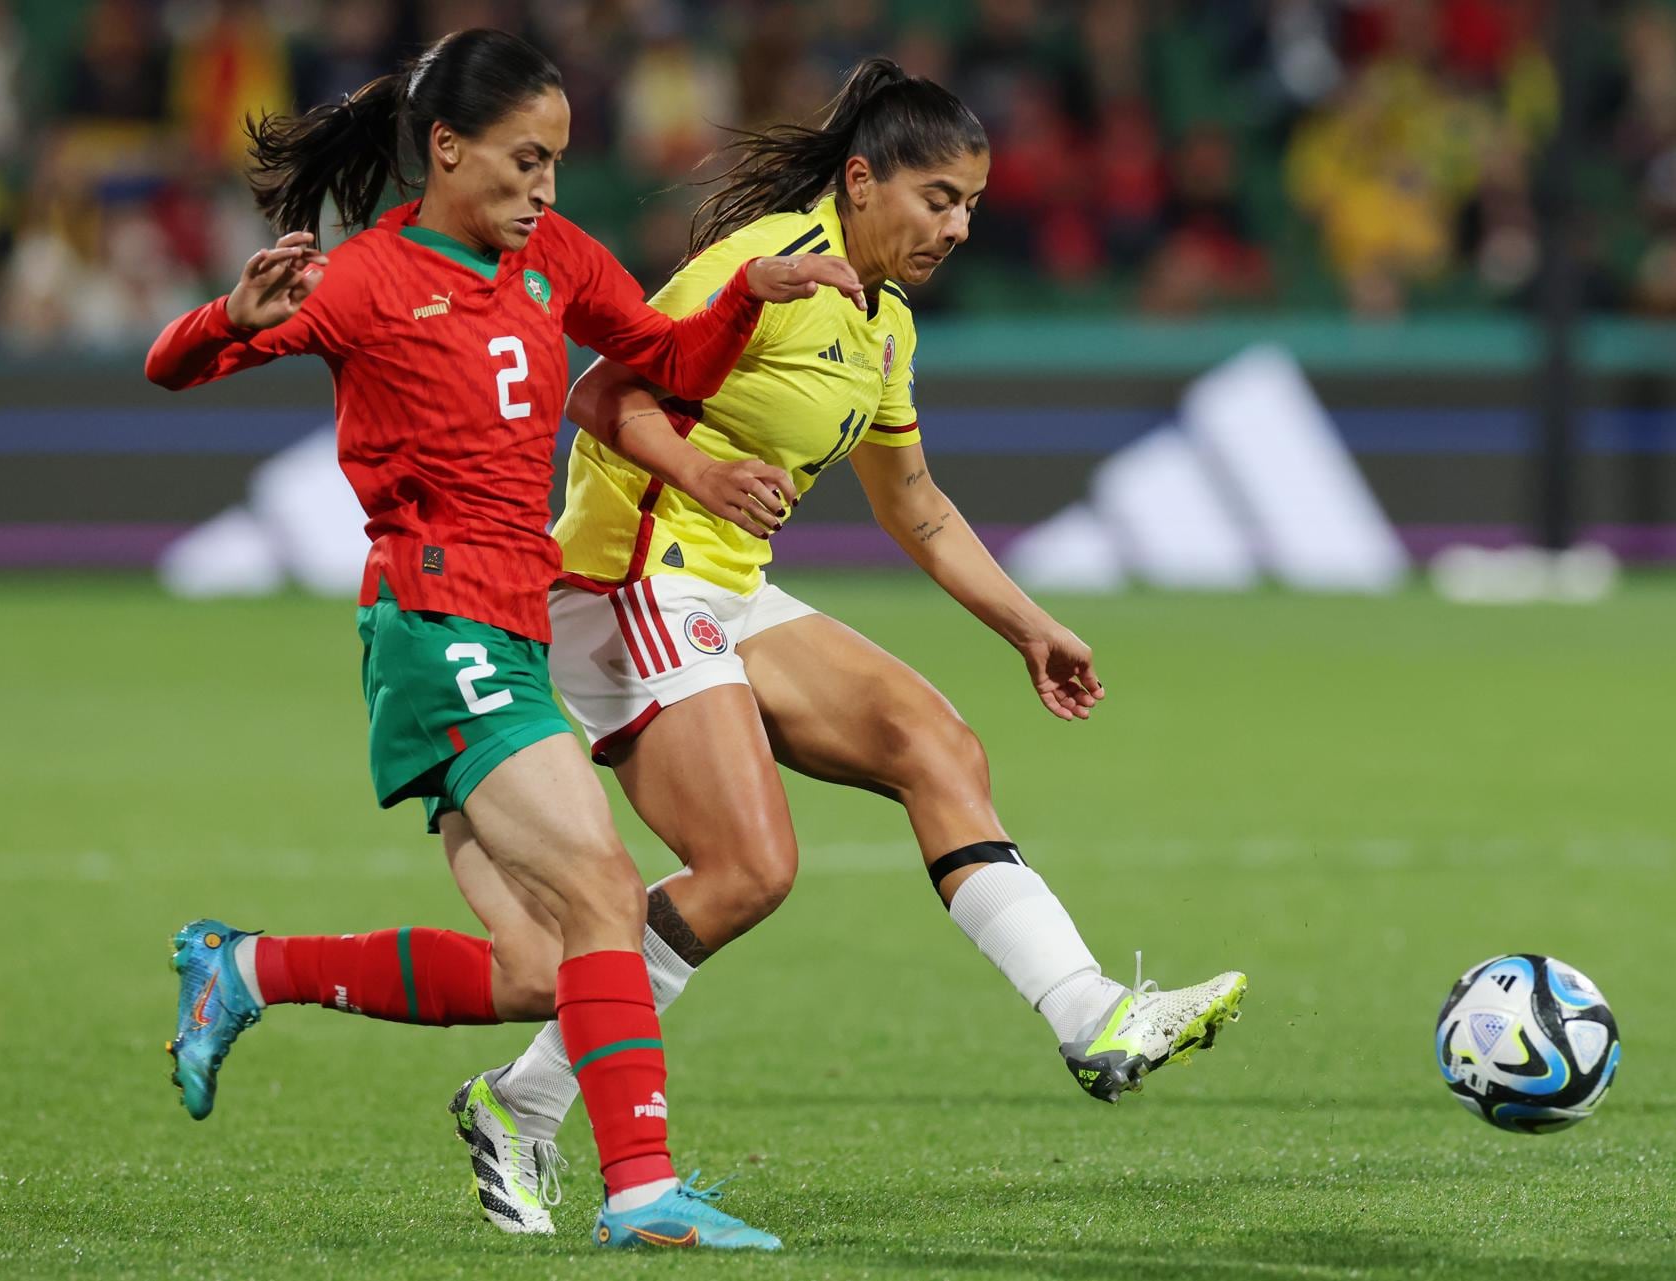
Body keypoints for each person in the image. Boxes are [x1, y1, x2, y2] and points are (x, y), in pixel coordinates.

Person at [468, 57, 1250, 1228]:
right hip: (623, 575)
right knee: (750, 870)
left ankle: (1089, 1015)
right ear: (863, 179)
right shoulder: (765, 265)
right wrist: (703, 470)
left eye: (973, 205)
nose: (959, 225)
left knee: (937, 744)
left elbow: (917, 506)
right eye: (938, 198)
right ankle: (523, 1108)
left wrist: (1031, 628)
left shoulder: (883, 324)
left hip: (721, 586)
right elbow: (600, 394)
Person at [143, 28, 860, 1251]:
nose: (545, 188)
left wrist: (747, 294)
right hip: (435, 625)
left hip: (507, 629)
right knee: (604, 888)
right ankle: (641, 1191)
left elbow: (669, 358)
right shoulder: (367, 279)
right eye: (527, 161)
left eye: (559, 163)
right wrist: (228, 314)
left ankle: (244, 968)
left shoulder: (556, 259)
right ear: (448, 147)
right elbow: (171, 368)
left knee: (542, 964)